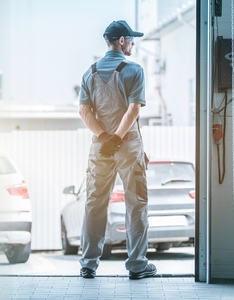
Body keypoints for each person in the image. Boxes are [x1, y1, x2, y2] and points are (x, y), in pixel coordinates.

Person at [78, 20, 156, 280]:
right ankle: (137, 266)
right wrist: (118, 137)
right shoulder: (134, 70)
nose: (133, 43)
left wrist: (103, 136)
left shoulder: (89, 73)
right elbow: (133, 109)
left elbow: (84, 111)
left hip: (100, 147)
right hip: (128, 144)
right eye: (131, 39)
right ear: (121, 41)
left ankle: (88, 264)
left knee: (95, 204)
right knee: (136, 204)